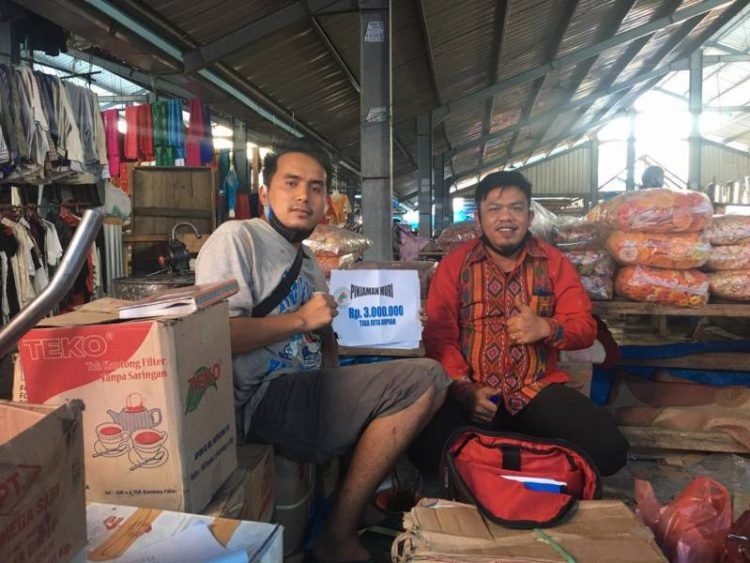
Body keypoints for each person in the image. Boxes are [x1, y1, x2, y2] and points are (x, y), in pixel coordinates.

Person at [195, 140, 449, 563]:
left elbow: (323, 336)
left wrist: (399, 325)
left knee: (423, 377)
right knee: (427, 377)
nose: (303, 196)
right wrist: (300, 320)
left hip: (304, 383)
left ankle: (354, 502)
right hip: (260, 399)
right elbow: (214, 336)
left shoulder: (309, 260)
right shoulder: (238, 238)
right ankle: (338, 531)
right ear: (265, 192)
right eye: (291, 183)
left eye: (315, 188)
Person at [409, 170, 628, 477]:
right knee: (426, 451)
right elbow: (439, 336)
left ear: (529, 215)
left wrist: (546, 328)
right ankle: (528, 458)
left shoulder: (554, 262)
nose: (506, 218)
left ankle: (496, 459)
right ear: (480, 219)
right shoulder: (455, 264)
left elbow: (585, 327)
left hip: (535, 390)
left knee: (609, 450)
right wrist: (464, 389)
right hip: (473, 393)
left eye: (516, 208)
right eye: (494, 209)